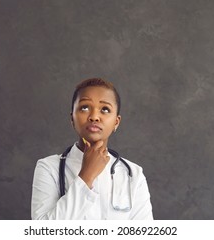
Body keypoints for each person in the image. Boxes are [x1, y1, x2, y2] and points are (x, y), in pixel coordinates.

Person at [31, 78, 153, 220]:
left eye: (105, 109)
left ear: (116, 122)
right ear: (72, 119)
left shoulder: (133, 174)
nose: (94, 117)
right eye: (84, 108)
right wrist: (86, 176)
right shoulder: (49, 168)